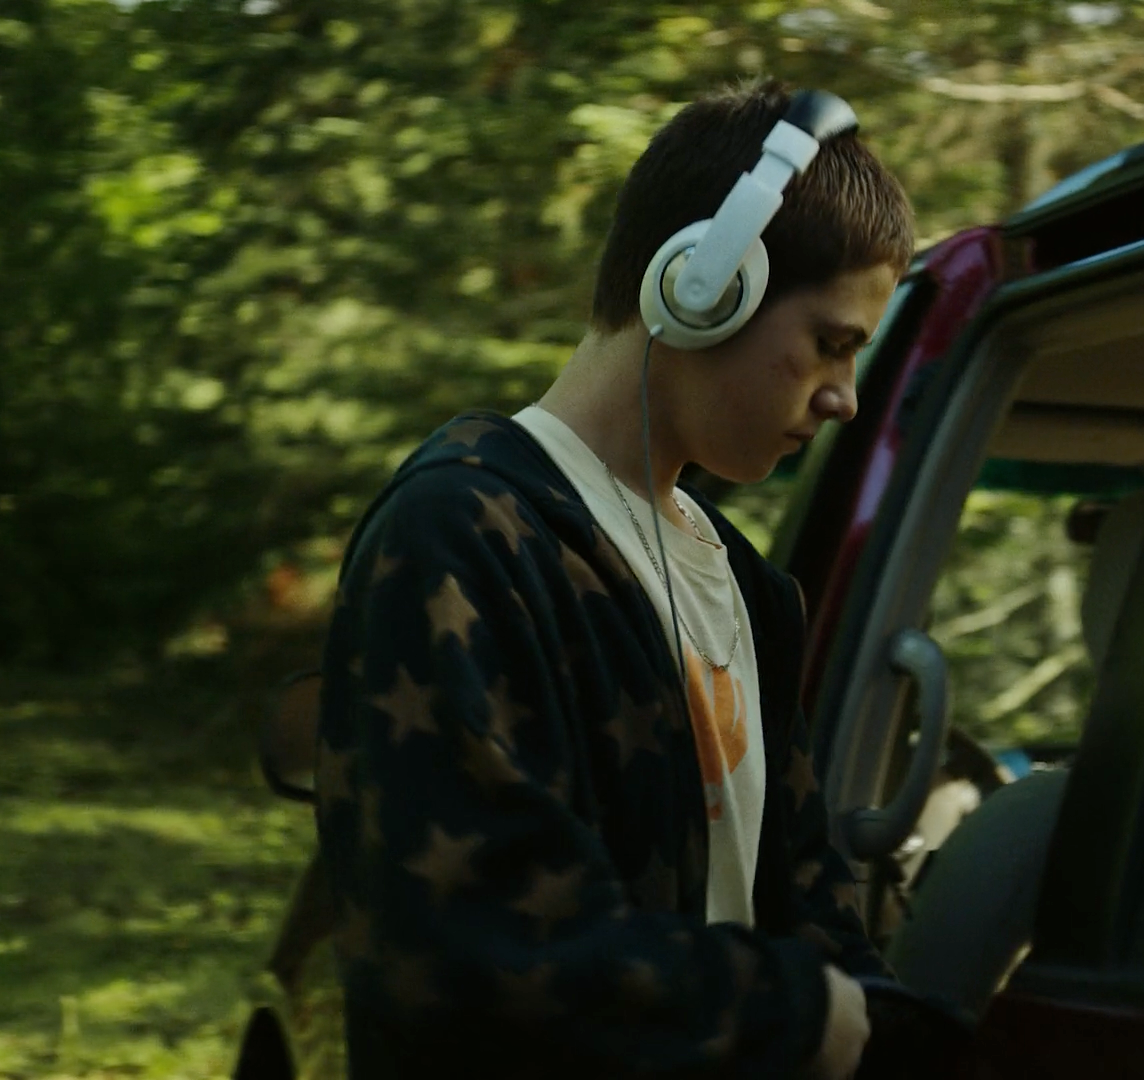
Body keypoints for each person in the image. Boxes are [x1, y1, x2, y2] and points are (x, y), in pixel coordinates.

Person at [315, 79, 915, 1079]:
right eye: (830, 344)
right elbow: (475, 948)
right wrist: (798, 1012)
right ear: (704, 280)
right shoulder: (462, 536)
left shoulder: (751, 589)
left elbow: (807, 907)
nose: (845, 399)